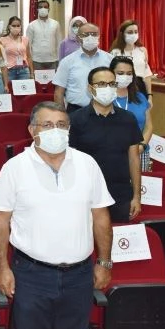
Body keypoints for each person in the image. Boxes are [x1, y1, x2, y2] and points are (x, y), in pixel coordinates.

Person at [0, 101, 114, 329]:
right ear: (32, 130)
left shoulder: (87, 164)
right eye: (47, 125)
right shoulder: (14, 168)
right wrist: (2, 267)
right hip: (31, 274)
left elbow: (101, 217)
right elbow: (0, 222)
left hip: (79, 274)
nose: (55, 130)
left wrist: (104, 262)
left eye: (61, 125)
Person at [69, 67, 143, 223]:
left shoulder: (128, 119)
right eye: (102, 84)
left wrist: (136, 196)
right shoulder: (75, 120)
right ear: (90, 88)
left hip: (121, 193)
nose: (107, 88)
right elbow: (69, 160)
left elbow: (134, 159)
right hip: (87, 194)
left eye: (112, 84)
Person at [53, 23, 113, 113]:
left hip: (104, 109)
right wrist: (61, 115)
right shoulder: (67, 61)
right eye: (85, 35)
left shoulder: (110, 59)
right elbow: (59, 92)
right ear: (78, 38)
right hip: (75, 110)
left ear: (99, 36)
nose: (90, 37)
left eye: (94, 34)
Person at [111, 57, 153, 172]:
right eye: (120, 73)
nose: (125, 76)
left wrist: (142, 146)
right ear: (111, 74)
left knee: (139, 183)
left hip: (140, 152)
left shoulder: (140, 97)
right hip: (114, 153)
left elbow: (149, 126)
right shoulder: (105, 98)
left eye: (129, 73)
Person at [109, 20, 154, 104]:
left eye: (135, 32)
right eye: (130, 32)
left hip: (140, 87)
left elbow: (147, 75)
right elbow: (111, 74)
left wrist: (150, 95)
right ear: (122, 34)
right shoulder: (115, 52)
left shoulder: (142, 50)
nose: (133, 34)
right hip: (122, 87)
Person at [26, 0, 61, 70]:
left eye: (45, 7)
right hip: (36, 60)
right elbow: (28, 45)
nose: (43, 9)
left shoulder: (55, 24)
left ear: (49, 9)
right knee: (37, 78)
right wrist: (29, 60)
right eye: (40, 7)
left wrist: (59, 59)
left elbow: (59, 42)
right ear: (37, 9)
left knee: (53, 77)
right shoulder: (32, 25)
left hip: (53, 60)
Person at [0, 16, 34, 81]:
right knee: (9, 88)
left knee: (24, 87)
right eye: (14, 26)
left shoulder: (25, 39)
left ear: (21, 27)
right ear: (9, 26)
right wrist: (2, 72)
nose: (16, 27)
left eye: (18, 26)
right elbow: (0, 58)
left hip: (24, 71)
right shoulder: (2, 40)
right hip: (9, 71)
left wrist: (32, 73)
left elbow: (29, 57)